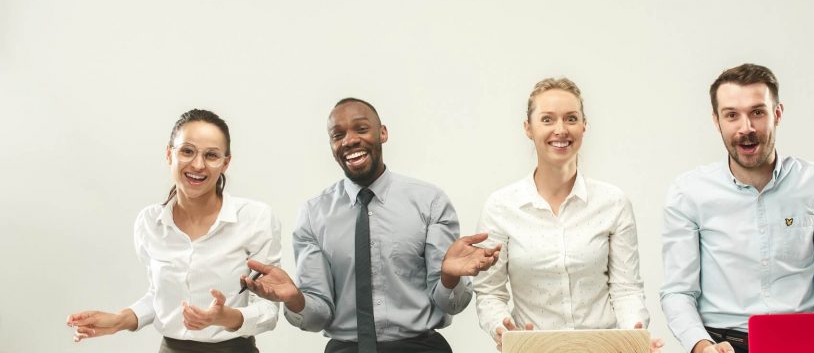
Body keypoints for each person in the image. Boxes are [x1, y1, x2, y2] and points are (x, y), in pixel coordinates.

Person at [242, 97, 500, 353]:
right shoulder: (313, 214)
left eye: (361, 129)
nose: (350, 140)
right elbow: (316, 317)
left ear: (383, 133)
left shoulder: (429, 202)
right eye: (337, 135)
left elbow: (450, 304)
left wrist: (449, 277)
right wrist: (296, 300)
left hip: (420, 348)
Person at [660, 63, 814, 353]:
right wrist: (701, 345)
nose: (746, 128)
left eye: (757, 112)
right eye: (732, 115)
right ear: (716, 121)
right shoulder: (688, 193)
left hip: (806, 342)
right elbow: (678, 291)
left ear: (777, 114)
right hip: (724, 346)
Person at [66, 109, 281, 353]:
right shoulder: (150, 222)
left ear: (225, 163)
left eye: (211, 155)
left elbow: (269, 310)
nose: (198, 165)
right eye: (187, 151)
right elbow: (160, 296)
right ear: (169, 154)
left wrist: (224, 316)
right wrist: (120, 320)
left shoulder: (255, 218)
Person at [473, 78, 664, 352]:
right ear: (528, 128)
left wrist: (634, 334)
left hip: (604, 347)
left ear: (584, 125)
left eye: (571, 118)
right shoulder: (501, 207)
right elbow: (490, 291)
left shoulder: (613, 203)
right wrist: (504, 329)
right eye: (547, 120)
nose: (560, 130)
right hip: (532, 349)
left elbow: (626, 288)